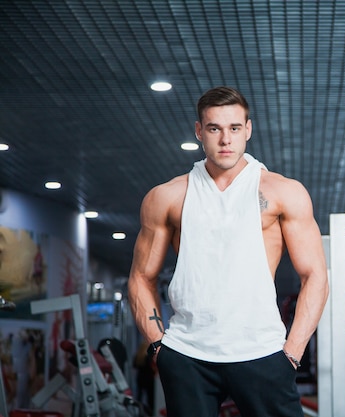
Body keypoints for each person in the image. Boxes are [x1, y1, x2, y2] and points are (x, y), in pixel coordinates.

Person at [128, 86, 329, 417]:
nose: (225, 139)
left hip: (262, 351)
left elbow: (315, 276)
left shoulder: (282, 192)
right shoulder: (167, 197)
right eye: (214, 128)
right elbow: (140, 277)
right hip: (187, 355)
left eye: (234, 128)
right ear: (199, 132)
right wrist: (159, 347)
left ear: (247, 130)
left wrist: (292, 352)